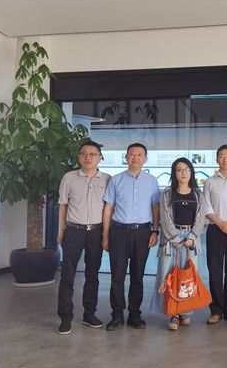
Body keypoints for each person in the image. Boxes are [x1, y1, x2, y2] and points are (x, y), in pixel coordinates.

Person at [102, 143, 160, 331]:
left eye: (140, 154)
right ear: (126, 157)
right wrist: (105, 235)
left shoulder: (151, 181)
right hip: (119, 232)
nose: (136, 157)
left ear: (145, 159)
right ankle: (117, 315)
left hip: (142, 233)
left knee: (138, 275)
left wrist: (155, 231)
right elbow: (108, 208)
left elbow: (155, 207)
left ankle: (135, 314)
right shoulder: (116, 180)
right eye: (132, 154)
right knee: (117, 276)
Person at [56, 141, 110, 335]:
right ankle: (65, 317)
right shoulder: (69, 177)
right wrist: (61, 230)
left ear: (100, 158)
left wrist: (106, 235)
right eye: (84, 154)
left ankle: (89, 314)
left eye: (93, 154)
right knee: (67, 274)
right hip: (73, 231)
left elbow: (109, 208)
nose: (88, 157)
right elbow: (63, 205)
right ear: (79, 157)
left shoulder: (107, 179)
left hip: (96, 231)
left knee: (92, 275)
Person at [151, 157, 205, 330]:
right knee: (168, 276)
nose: (183, 173)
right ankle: (173, 314)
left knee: (188, 277)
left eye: (186, 169)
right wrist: (175, 238)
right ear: (174, 173)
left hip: (191, 239)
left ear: (191, 172)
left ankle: (186, 313)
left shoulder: (198, 194)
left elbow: (200, 219)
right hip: (170, 240)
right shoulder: (167, 193)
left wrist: (191, 237)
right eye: (179, 169)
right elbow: (164, 218)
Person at [203, 145, 227, 325]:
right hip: (215, 230)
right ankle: (216, 310)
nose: (225, 159)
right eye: (221, 156)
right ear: (217, 159)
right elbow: (206, 207)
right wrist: (219, 223)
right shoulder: (210, 182)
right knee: (215, 271)